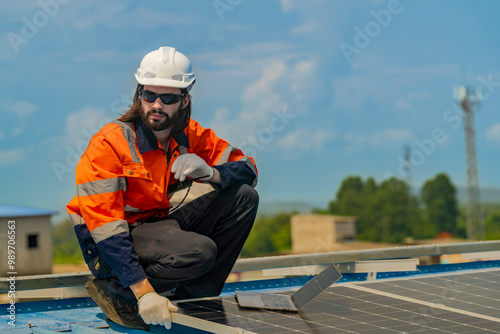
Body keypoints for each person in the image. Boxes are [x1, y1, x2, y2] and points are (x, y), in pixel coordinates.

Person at [66, 46, 259, 330]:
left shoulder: (192, 135)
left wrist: (212, 172)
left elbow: (249, 169)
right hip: (107, 245)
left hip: (156, 223)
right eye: (149, 95)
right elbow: (107, 228)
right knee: (200, 251)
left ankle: (194, 299)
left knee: (244, 197)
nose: (156, 105)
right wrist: (143, 292)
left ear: (184, 100)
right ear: (138, 94)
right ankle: (117, 291)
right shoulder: (109, 144)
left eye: (168, 97)